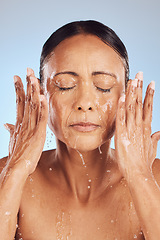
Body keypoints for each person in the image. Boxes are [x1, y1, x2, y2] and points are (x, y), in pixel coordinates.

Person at [0, 20, 160, 240]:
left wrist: (140, 177)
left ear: (128, 93)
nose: (85, 102)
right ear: (39, 92)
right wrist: (14, 172)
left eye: (104, 85)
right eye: (65, 85)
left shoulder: (155, 179)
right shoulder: (6, 176)